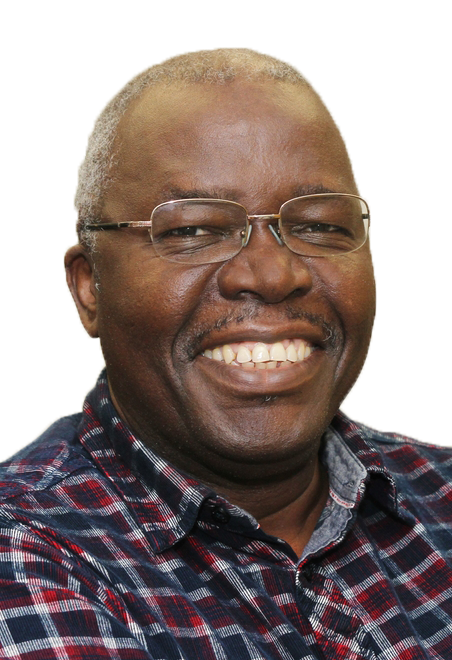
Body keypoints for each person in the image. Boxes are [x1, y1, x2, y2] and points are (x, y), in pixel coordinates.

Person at [0, 47, 450, 660]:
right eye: (192, 230)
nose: (273, 274)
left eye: (319, 225)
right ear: (90, 288)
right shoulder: (28, 556)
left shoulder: (440, 492)